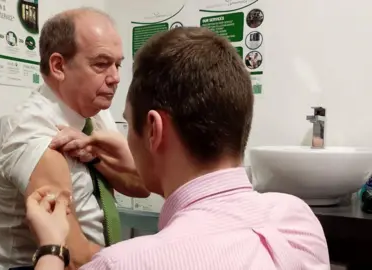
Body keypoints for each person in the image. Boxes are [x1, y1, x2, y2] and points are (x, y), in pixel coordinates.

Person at [26, 26, 330, 269]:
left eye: (130, 126)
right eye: (102, 64)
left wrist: (51, 249)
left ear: (154, 130)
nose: (113, 78)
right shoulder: (296, 219)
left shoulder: (123, 263)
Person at [0, 7, 149, 270]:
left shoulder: (97, 114)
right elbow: (72, 255)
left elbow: (141, 186)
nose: (115, 78)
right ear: (58, 66)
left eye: (118, 64)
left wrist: (95, 156)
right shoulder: (32, 129)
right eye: (101, 64)